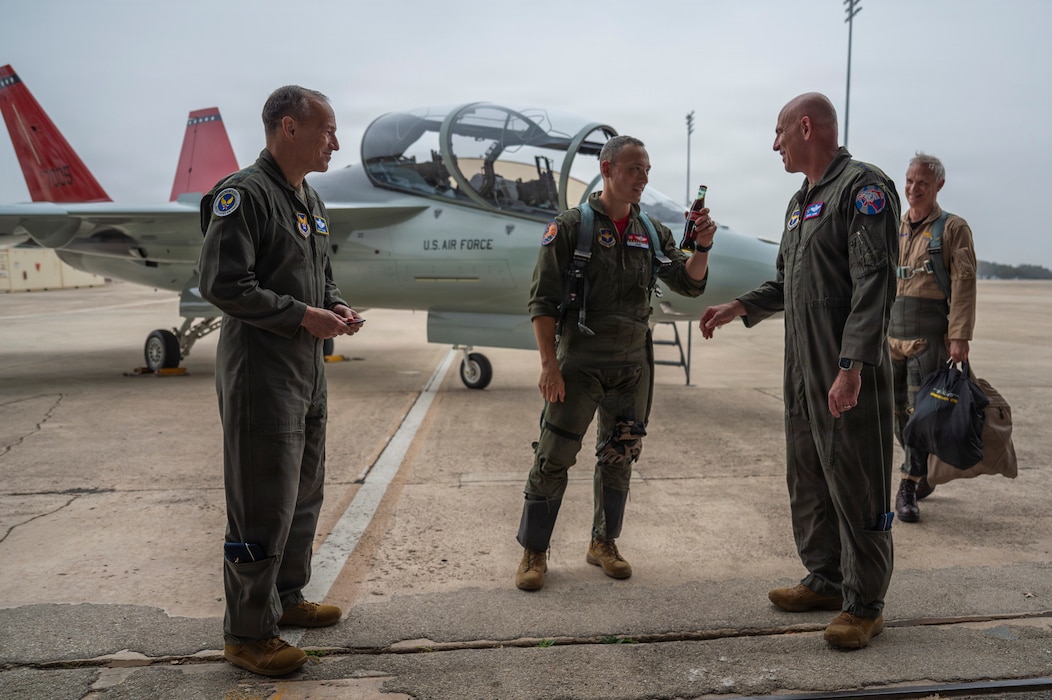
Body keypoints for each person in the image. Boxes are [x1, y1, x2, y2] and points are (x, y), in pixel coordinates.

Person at [699, 93, 900, 649]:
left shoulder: (863, 190)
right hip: (800, 368)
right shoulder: (799, 202)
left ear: (806, 127)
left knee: (856, 480)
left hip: (843, 369)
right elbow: (788, 283)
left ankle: (865, 605)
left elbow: (874, 287)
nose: (775, 144)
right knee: (809, 475)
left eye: (780, 132)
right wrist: (738, 307)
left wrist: (852, 366)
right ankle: (826, 580)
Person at [198, 85, 364, 677]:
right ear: (288, 129)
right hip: (261, 376)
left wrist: (336, 308)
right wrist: (303, 316)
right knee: (261, 502)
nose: (335, 143)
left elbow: (321, 275)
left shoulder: (309, 200)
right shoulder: (243, 196)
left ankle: (288, 598)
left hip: (306, 370)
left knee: (303, 493)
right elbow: (222, 284)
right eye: (327, 131)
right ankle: (247, 634)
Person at [514, 135, 714, 591]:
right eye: (633, 169)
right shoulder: (570, 227)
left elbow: (687, 283)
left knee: (620, 455)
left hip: (632, 366)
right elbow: (542, 301)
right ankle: (534, 551)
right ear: (607, 170)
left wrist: (701, 247)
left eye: (646, 169)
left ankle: (603, 542)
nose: (642, 178)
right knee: (553, 457)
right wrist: (549, 364)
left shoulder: (650, 230)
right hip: (580, 364)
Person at [890, 153, 978, 522]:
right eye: (909, 181)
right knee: (895, 412)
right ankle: (920, 468)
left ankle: (909, 481)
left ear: (938, 185)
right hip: (890, 335)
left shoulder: (953, 228)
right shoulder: (893, 227)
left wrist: (958, 336)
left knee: (920, 414)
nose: (913, 189)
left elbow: (964, 282)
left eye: (922, 183)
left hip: (929, 336)